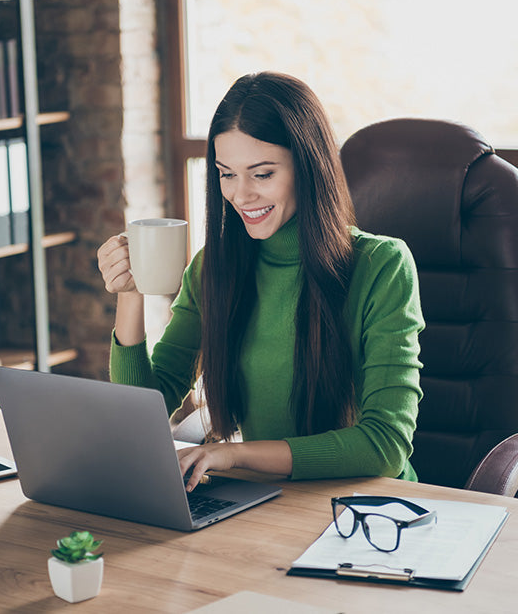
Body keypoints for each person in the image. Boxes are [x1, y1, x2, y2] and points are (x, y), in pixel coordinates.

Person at [97, 72, 423, 491]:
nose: (240, 195)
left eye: (262, 174)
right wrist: (129, 295)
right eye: (226, 174)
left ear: (308, 168)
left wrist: (230, 455)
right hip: (266, 500)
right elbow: (141, 413)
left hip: (367, 509)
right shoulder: (213, 268)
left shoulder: (382, 265)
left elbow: (384, 447)